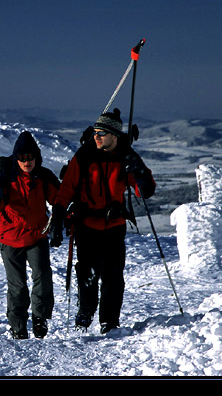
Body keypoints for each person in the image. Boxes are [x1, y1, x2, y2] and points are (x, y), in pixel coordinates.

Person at [49, 109, 156, 334]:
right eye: (95, 132)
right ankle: (86, 313)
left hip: (114, 226)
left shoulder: (125, 157)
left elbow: (144, 191)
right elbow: (66, 188)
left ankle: (109, 321)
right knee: (86, 273)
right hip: (86, 225)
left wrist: (139, 171)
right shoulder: (84, 156)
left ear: (114, 136)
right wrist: (58, 217)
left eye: (102, 133)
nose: (96, 136)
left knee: (113, 276)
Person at [0, 131, 60, 339]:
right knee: (17, 285)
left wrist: (63, 220)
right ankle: (18, 325)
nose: (27, 161)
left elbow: (59, 201)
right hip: (10, 239)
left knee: (42, 277)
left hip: (37, 236)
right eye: (22, 158)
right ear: (16, 159)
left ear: (37, 157)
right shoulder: (5, 179)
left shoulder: (43, 177)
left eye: (30, 157)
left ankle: (40, 318)